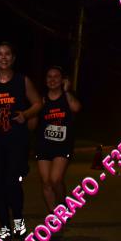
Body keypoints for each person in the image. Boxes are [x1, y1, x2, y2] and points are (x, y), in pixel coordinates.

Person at [0, 42, 42, 241]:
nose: (3, 57)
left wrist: (26, 114)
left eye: (7, 54)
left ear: (13, 58)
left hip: (16, 141)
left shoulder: (22, 81)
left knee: (12, 182)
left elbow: (38, 103)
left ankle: (18, 220)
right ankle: (4, 225)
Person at [35, 67, 82, 226]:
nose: (52, 79)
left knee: (55, 179)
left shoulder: (67, 97)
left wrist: (67, 91)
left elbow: (76, 108)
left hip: (62, 146)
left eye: (56, 76)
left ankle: (62, 205)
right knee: (46, 181)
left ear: (63, 80)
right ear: (45, 80)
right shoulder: (41, 99)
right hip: (43, 145)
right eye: (49, 76)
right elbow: (33, 119)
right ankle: (52, 213)